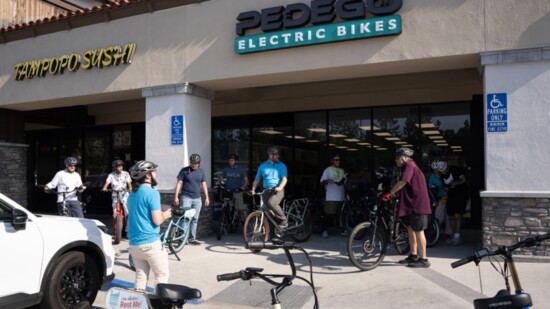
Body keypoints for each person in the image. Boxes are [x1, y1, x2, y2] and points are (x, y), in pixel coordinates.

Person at [127, 160, 172, 291]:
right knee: (161, 276)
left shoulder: (132, 195)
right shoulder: (152, 193)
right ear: (148, 175)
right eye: (154, 171)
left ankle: (137, 304)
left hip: (135, 245)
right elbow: (157, 220)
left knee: (141, 277)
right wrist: (166, 215)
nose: (155, 173)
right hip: (150, 243)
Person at [383, 148, 431, 268]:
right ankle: (413, 255)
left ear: (404, 157)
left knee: (419, 231)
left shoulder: (410, 165)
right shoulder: (406, 167)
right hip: (411, 204)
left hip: (418, 205)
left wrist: (390, 193)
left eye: (397, 158)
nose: (396, 161)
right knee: (410, 229)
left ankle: (423, 259)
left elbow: (403, 182)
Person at [251, 146, 288, 236]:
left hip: (277, 189)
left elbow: (284, 179)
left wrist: (279, 187)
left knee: (272, 203)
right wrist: (253, 189)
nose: (277, 156)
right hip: (266, 190)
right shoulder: (263, 166)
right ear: (270, 155)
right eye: (275, 155)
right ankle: (271, 234)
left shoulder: (281, 165)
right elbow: (257, 179)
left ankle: (284, 220)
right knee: (266, 212)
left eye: (277, 155)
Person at [174, 153, 210, 245]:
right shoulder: (184, 171)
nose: (194, 165)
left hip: (197, 199)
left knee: (194, 219)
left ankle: (192, 238)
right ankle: (183, 239)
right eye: (192, 163)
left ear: (199, 163)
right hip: (186, 197)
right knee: (185, 218)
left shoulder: (201, 171)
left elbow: (204, 185)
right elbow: (179, 183)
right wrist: (176, 196)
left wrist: (207, 197)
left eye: (196, 163)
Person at [438, 161, 469, 246]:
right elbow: (446, 187)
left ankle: (457, 237)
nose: (444, 172)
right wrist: (447, 188)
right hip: (451, 196)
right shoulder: (442, 176)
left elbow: (463, 179)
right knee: (451, 216)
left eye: (445, 170)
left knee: (457, 215)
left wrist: (456, 183)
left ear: (447, 167)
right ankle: (454, 235)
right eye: (442, 171)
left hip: (461, 194)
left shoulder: (455, 169)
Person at [319, 154, 346, 238]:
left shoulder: (342, 170)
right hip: (331, 196)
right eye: (336, 160)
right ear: (332, 161)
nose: (338, 161)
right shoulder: (328, 170)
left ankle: (342, 230)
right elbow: (321, 181)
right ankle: (324, 231)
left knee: (341, 215)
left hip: (341, 196)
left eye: (339, 160)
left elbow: (344, 181)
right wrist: (328, 181)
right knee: (328, 214)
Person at [218, 153, 249, 222]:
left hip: (238, 191)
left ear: (236, 161)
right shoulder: (226, 169)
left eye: (232, 160)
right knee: (227, 207)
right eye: (229, 160)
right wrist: (220, 181)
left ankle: (245, 225)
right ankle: (226, 224)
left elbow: (246, 181)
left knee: (240, 209)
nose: (230, 162)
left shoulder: (241, 169)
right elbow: (221, 177)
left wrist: (243, 187)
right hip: (228, 191)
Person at [428, 160, 452, 240]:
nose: (437, 171)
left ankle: (448, 233)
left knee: (448, 216)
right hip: (439, 198)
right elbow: (431, 189)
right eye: (435, 169)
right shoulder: (432, 178)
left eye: (437, 169)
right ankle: (436, 231)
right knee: (439, 216)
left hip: (448, 197)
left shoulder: (444, 175)